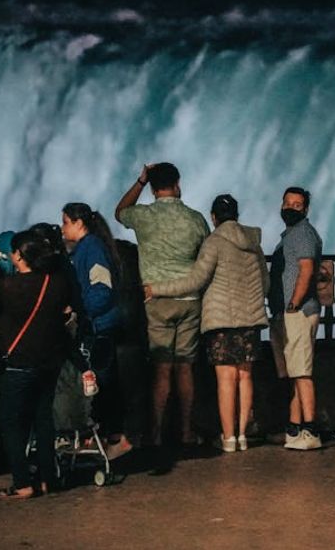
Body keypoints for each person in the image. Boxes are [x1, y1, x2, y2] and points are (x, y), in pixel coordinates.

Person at [145, 194, 269, 453]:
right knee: (245, 377)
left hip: (222, 320)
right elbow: (265, 283)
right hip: (250, 320)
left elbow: (195, 281)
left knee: (226, 379)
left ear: (214, 217)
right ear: (237, 214)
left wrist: (156, 289)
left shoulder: (214, 242)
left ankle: (228, 438)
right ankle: (243, 435)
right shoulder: (253, 243)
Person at [114, 162, 210, 448]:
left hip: (155, 299)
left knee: (162, 368)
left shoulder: (143, 216)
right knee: (185, 368)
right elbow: (205, 254)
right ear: (177, 183)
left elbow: (120, 212)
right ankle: (185, 431)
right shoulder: (195, 219)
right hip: (190, 300)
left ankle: (155, 434)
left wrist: (140, 181)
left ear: (154, 188)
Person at [0, 230, 76, 499]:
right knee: (43, 419)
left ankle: (23, 483)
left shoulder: (6, 286)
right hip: (49, 361)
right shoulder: (58, 283)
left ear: (18, 256)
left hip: (18, 363)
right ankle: (47, 479)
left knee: (11, 422)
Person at [62, 203, 132, 460]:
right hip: (99, 324)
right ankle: (109, 437)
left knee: (101, 383)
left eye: (65, 222)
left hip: (98, 327)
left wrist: (80, 311)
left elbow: (102, 288)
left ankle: (113, 438)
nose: (62, 228)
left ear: (78, 223)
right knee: (104, 382)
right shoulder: (89, 248)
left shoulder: (90, 248)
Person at [267, 187, 324, 450]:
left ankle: (310, 432)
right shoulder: (289, 235)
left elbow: (307, 269)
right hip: (285, 313)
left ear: (305, 209)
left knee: (302, 372)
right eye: (287, 202)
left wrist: (294, 303)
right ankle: (294, 430)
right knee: (292, 373)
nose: (290, 207)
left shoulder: (302, 233)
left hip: (298, 312)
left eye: (297, 204)